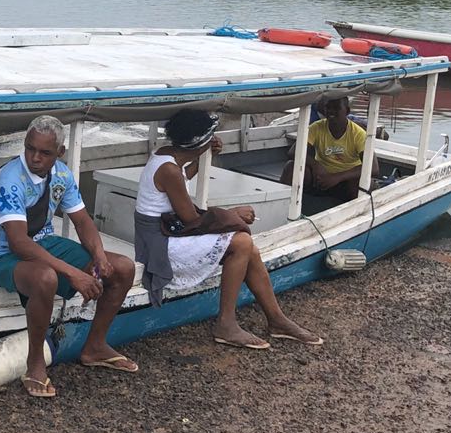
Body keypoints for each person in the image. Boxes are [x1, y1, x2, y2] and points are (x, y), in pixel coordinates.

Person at [134, 109, 321, 350]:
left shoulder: (166, 155)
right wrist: (233, 213)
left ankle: (277, 320)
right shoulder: (168, 169)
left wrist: (204, 156)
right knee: (242, 242)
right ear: (199, 142)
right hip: (158, 241)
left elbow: (182, 179)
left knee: (249, 249)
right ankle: (226, 324)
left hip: (168, 229)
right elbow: (190, 218)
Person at [0, 115, 138, 399]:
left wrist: (99, 255)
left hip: (46, 244)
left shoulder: (61, 174)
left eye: (45, 153)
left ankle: (95, 347)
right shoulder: (10, 178)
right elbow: (18, 243)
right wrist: (74, 273)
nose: (35, 157)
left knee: (122, 268)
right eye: (30, 148)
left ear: (60, 153)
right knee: (45, 277)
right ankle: (35, 363)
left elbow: (82, 221)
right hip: (2, 255)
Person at [282, 94, 378, 201]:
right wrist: (315, 165)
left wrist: (337, 177)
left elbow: (373, 168)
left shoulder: (358, 134)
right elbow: (292, 152)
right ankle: (284, 205)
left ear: (347, 111)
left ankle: (356, 213)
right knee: (291, 167)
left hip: (345, 181)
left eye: (336, 108)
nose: (331, 111)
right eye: (328, 107)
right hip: (321, 177)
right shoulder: (316, 127)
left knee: (362, 183)